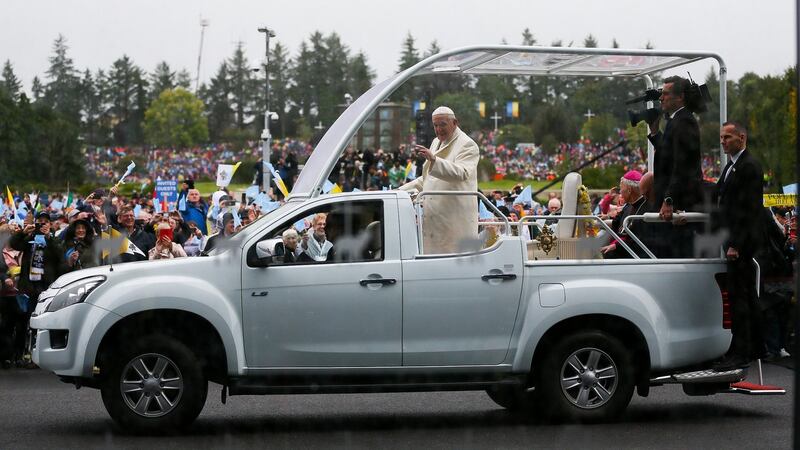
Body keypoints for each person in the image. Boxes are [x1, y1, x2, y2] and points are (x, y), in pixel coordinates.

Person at [712, 121, 764, 372]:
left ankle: (742, 351)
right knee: (738, 297)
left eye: (728, 137)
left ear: (741, 138)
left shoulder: (749, 167)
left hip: (741, 245)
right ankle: (741, 347)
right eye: (721, 137)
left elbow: (748, 210)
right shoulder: (732, 166)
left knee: (740, 299)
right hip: (733, 240)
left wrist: (736, 244)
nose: (723, 141)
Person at [399, 106, 479, 254]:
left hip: (454, 220)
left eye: (443, 124)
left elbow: (462, 173)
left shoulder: (468, 144)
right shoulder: (436, 142)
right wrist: (399, 192)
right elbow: (427, 179)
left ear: (454, 123)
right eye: (435, 125)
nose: (438, 129)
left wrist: (434, 159)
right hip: (435, 219)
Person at [646, 76, 703, 221]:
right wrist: (655, 133)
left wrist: (669, 199)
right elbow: (668, 155)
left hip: (680, 203)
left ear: (680, 97)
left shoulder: (684, 121)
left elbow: (682, 166)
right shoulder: (676, 120)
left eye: (665, 94)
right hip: (674, 201)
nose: (661, 98)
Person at [601, 171, 648, 258]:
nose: (620, 193)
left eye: (621, 188)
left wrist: (616, 246)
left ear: (629, 190)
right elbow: (616, 223)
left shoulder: (645, 209)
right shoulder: (628, 206)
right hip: (622, 247)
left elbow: (638, 240)